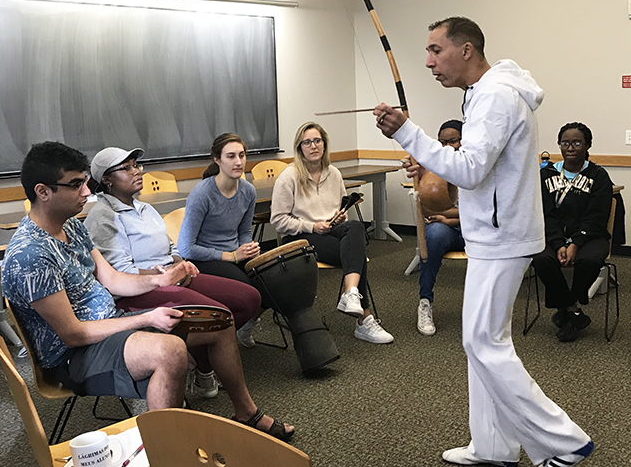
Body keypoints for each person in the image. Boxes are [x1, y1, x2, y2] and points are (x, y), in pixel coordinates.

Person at [374, 16, 593, 467]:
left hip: (502, 238)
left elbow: (469, 171)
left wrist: (409, 132)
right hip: (491, 235)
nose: (429, 61)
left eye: (436, 50)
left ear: (467, 49)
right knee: (482, 343)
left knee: (483, 343)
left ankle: (564, 440)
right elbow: (473, 168)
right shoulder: (482, 92)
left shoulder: (494, 94)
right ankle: (492, 444)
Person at [1, 142, 294, 440]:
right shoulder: (31, 255)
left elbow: (113, 279)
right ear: (43, 191)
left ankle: (246, 411)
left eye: (85, 182)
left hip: (107, 325)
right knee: (170, 351)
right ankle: (168, 460)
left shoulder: (71, 227)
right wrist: (146, 318)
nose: (88, 192)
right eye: (77, 185)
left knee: (218, 320)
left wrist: (159, 280)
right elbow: (74, 334)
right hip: (73, 356)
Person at [84, 146, 262, 397]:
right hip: (136, 292)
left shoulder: (145, 208)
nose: (137, 171)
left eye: (137, 165)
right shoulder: (104, 215)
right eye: (127, 168)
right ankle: (201, 367)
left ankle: (200, 360)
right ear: (106, 179)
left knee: (248, 299)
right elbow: (120, 272)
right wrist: (164, 277)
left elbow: (171, 246)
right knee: (216, 315)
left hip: (172, 278)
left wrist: (179, 263)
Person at [269, 121, 394, 344]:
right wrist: (312, 226)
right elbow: (278, 221)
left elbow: (339, 208)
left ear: (324, 145)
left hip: (330, 231)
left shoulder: (333, 173)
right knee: (355, 254)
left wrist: (339, 216)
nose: (313, 146)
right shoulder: (288, 177)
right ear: (299, 148)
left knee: (355, 227)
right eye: (307, 142)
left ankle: (351, 293)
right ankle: (363, 317)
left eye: (317, 140)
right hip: (299, 237)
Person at [177, 133, 264, 348]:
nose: (238, 162)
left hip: (234, 253)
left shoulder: (248, 191)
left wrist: (247, 247)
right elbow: (186, 248)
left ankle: (242, 328)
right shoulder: (202, 194)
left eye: (242, 155)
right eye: (231, 156)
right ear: (217, 159)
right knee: (249, 290)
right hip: (206, 259)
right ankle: (218, 342)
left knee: (274, 280)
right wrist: (231, 256)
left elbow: (244, 230)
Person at [532, 122, 613, 342]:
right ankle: (571, 308)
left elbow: (596, 217)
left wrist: (575, 243)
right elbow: (545, 214)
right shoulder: (546, 174)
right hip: (552, 236)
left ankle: (567, 308)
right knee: (540, 259)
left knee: (589, 261)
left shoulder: (598, 176)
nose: (570, 147)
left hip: (590, 237)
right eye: (565, 143)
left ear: (587, 145)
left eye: (577, 142)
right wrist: (559, 243)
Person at [414, 119, 465, 335]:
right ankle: (425, 301)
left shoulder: (477, 167)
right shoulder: (433, 169)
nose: (447, 147)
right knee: (432, 237)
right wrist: (448, 218)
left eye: (452, 141)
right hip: (445, 228)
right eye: (442, 142)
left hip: (471, 229)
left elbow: (482, 213)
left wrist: (447, 217)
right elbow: (426, 211)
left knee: (488, 236)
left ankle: (489, 310)